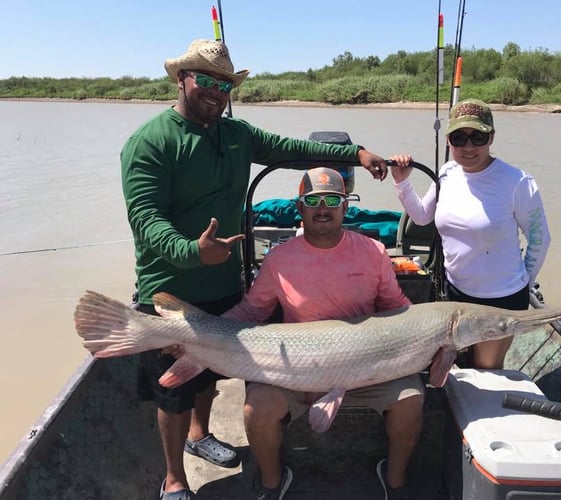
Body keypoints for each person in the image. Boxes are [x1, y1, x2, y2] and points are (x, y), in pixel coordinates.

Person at [120, 39, 388, 500]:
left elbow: (292, 149)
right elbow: (145, 221)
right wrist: (190, 251)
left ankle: (200, 434)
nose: (214, 91)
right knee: (174, 393)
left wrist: (358, 154)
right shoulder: (149, 143)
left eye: (223, 84)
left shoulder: (237, 134)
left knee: (210, 370)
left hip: (224, 280)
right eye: (204, 79)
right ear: (181, 79)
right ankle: (174, 478)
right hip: (170, 286)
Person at [223, 168, 424, 500]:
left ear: (346, 207)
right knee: (256, 407)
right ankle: (272, 484)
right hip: (297, 371)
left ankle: (396, 481)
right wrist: (199, 332)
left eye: (332, 200)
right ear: (299, 209)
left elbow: (398, 307)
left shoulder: (374, 251)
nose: (323, 209)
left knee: (411, 399)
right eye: (312, 201)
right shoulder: (279, 259)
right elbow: (250, 313)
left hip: (366, 368)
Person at [390, 98, 551, 369]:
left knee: (485, 371)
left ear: (492, 138)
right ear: (449, 141)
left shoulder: (517, 182)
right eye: (459, 137)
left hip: (500, 300)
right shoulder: (447, 173)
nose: (468, 146)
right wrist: (401, 181)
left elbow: (540, 239)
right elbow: (421, 216)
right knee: (458, 367)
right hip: (455, 293)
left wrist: (523, 283)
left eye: (478, 137)